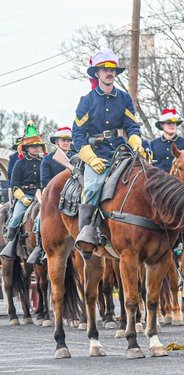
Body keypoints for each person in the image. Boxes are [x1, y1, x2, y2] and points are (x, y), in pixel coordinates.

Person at [73, 49, 145, 259]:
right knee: (93, 187)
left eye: (112, 69)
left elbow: (131, 126)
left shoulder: (124, 98)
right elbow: (78, 134)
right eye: (105, 69)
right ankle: (86, 235)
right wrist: (90, 158)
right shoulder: (86, 101)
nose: (109, 73)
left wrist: (137, 143)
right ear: (97, 73)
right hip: (97, 155)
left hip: (121, 153)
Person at [26, 126, 77, 263]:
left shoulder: (77, 156)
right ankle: (40, 248)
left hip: (74, 195)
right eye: (63, 140)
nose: (66, 143)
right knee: (37, 218)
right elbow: (45, 181)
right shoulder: (48, 159)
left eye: (68, 140)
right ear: (57, 142)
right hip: (54, 196)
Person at [1, 122, 47, 259]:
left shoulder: (43, 161)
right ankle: (11, 244)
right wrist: (22, 198)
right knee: (16, 217)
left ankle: (41, 245)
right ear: (27, 148)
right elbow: (14, 184)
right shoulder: (19, 163)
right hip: (25, 195)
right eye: (33, 146)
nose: (37, 148)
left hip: (42, 195)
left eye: (38, 146)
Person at [149, 108, 184, 173]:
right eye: (169, 123)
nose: (172, 125)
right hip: (158, 181)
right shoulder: (153, 144)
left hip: (178, 182)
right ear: (162, 125)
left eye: (174, 123)